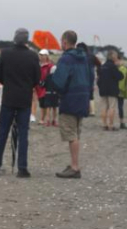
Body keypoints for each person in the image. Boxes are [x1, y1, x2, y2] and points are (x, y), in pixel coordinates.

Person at [0, 28, 40, 177]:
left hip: (9, 97)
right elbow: (37, 78)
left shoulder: (5, 53)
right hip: (24, 99)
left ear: (15, 38)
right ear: (26, 40)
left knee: (3, 132)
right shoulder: (32, 56)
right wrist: (26, 85)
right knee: (23, 134)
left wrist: (9, 83)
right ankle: (22, 168)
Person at [52, 31, 92, 179]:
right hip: (82, 97)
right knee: (76, 133)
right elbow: (90, 77)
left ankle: (75, 166)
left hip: (70, 99)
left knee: (71, 134)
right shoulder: (83, 58)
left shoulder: (66, 59)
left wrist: (53, 81)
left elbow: (59, 81)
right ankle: (74, 164)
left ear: (64, 42)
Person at [37, 49, 58, 127]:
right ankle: (45, 119)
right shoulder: (38, 65)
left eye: (43, 55)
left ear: (47, 56)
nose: (42, 57)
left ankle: (44, 119)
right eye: (40, 55)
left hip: (48, 87)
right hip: (40, 85)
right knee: (42, 103)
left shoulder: (50, 66)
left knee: (46, 104)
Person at [117, 57, 127, 130]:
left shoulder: (117, 68)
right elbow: (122, 82)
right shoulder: (123, 69)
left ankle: (108, 123)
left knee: (113, 107)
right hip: (120, 91)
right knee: (120, 107)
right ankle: (121, 122)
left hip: (113, 90)